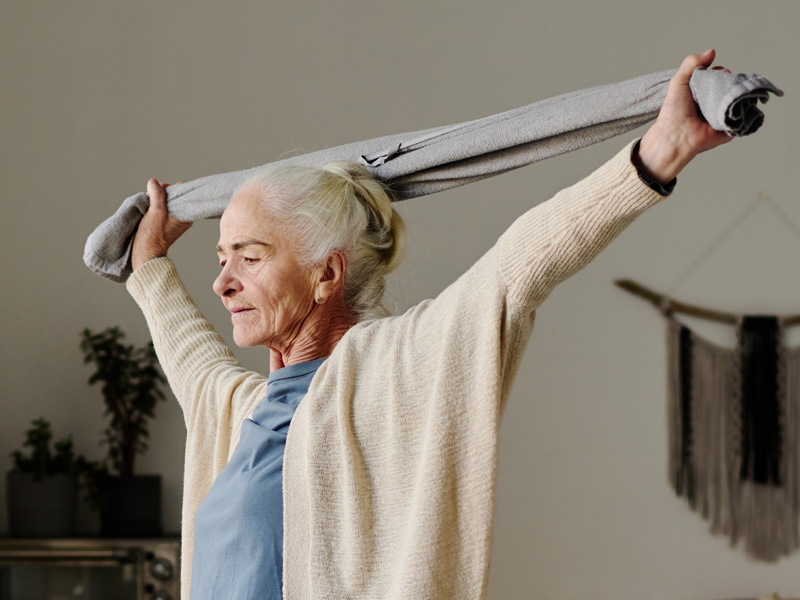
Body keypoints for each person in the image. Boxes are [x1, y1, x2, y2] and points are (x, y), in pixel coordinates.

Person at [128, 50, 733, 600]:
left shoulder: (398, 369)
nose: (222, 282)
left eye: (250, 257)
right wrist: (148, 263)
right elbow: (188, 349)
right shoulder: (238, 412)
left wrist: (657, 155)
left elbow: (519, 266)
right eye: (221, 258)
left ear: (325, 275)